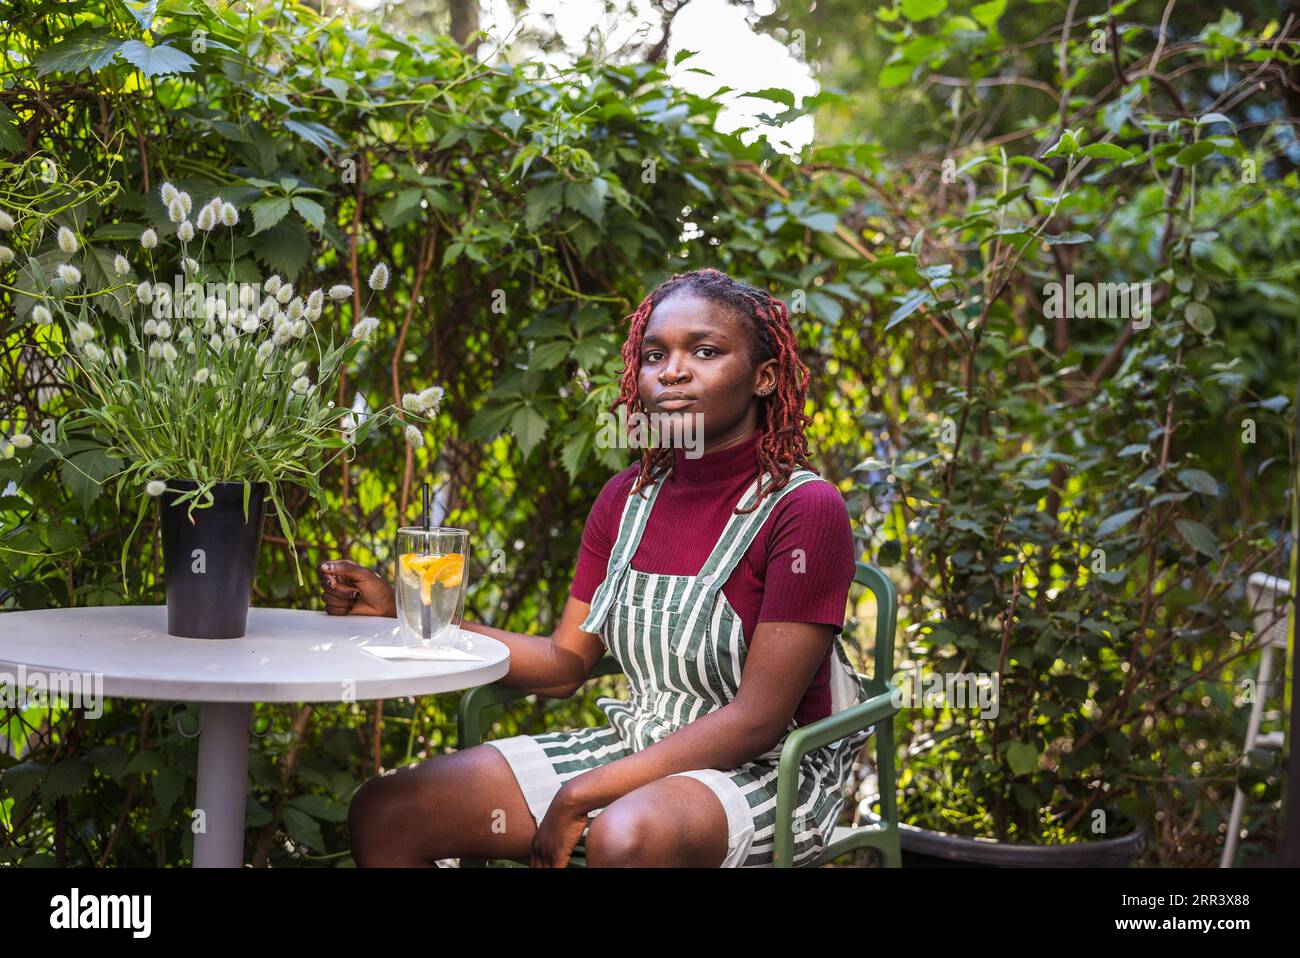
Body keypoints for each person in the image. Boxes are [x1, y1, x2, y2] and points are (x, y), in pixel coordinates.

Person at [320, 268, 871, 867]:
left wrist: (582, 794)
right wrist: (408, 617)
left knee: (625, 837)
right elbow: (563, 665)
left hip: (771, 770)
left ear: (765, 377)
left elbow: (757, 721)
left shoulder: (804, 509)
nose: (674, 370)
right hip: (637, 743)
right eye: (655, 354)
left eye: (705, 351)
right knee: (386, 811)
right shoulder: (627, 499)